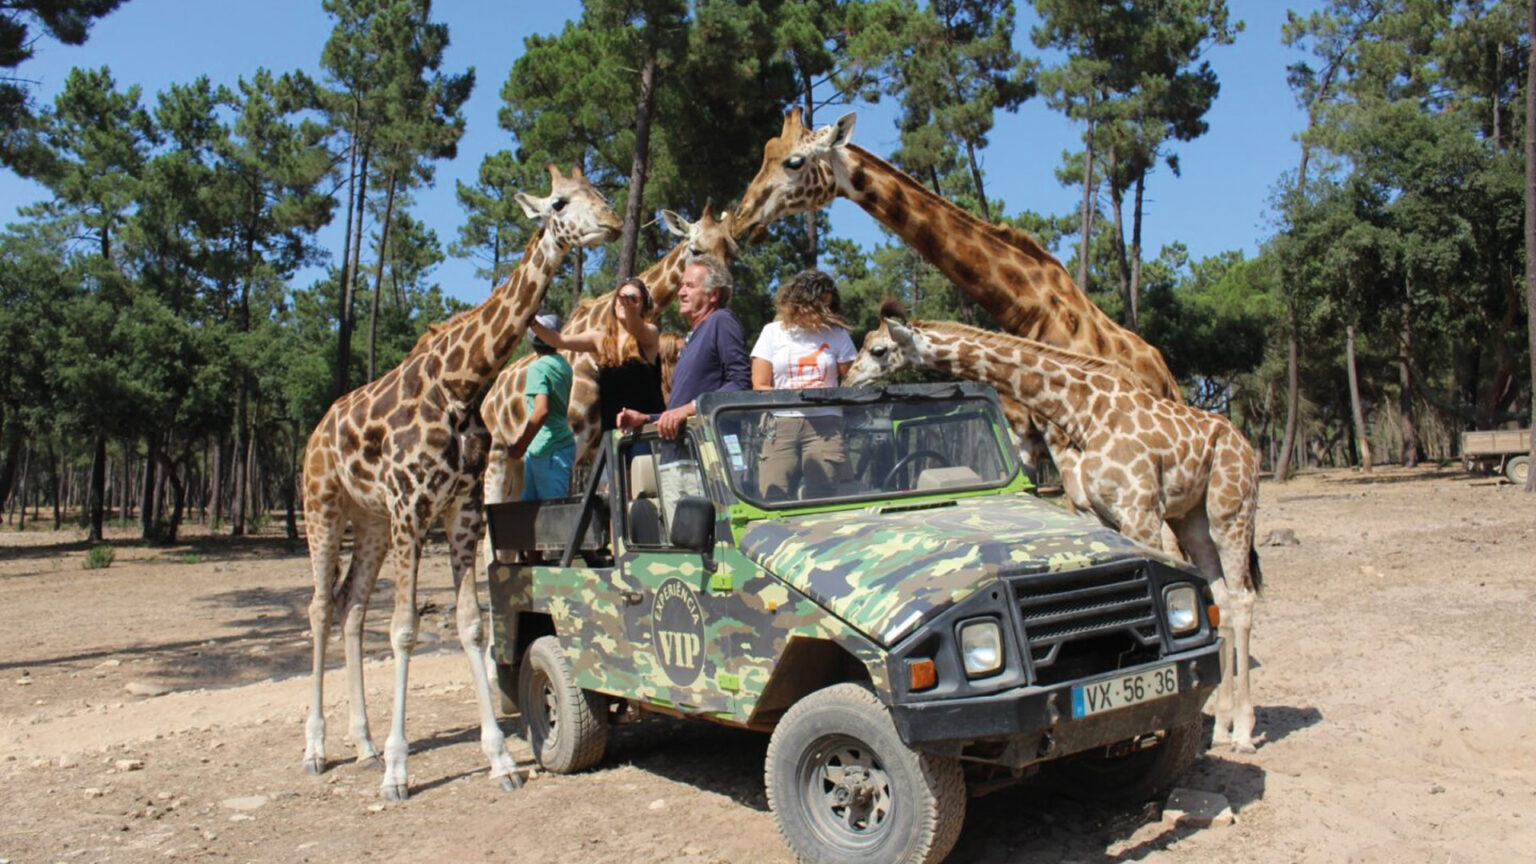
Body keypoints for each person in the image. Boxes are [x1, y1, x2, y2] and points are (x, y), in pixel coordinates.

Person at [616, 256, 750, 525]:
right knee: (680, 540)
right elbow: (681, 408)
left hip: (704, 462)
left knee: (695, 538)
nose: (680, 291)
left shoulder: (721, 321)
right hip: (679, 457)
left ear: (713, 295)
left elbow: (740, 385)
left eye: (690, 285)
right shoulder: (695, 335)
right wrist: (647, 419)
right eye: (682, 285)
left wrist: (685, 410)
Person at [749, 269, 857, 500]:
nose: (824, 313)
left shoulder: (837, 335)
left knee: (822, 496)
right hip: (781, 422)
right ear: (800, 302)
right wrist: (794, 395)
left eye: (829, 307)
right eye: (819, 307)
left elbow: (853, 380)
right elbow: (759, 384)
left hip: (826, 423)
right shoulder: (773, 332)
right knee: (772, 493)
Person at [527, 276, 666, 433]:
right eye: (621, 297)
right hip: (615, 436)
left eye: (633, 298)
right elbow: (557, 340)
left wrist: (630, 310)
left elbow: (635, 329)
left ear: (643, 307)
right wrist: (531, 320)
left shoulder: (650, 333)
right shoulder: (599, 339)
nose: (625, 302)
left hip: (649, 433)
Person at [510, 312, 576, 501]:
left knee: (553, 516)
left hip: (548, 450)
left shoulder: (538, 368)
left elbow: (541, 411)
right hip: (547, 448)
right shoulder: (563, 364)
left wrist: (520, 446)